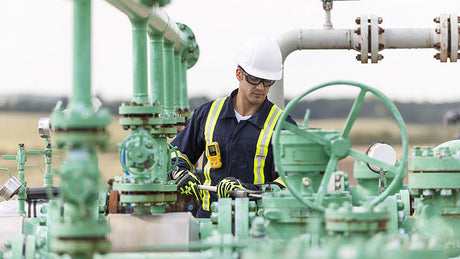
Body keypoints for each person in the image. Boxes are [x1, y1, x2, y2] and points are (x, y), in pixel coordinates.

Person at [170, 36, 297, 218]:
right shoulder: (208, 114)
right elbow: (176, 153)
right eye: (254, 79)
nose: (261, 87)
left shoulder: (282, 125)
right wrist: (179, 170)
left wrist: (248, 190)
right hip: (208, 221)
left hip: (258, 225)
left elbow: (292, 181)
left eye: (268, 81)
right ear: (239, 74)